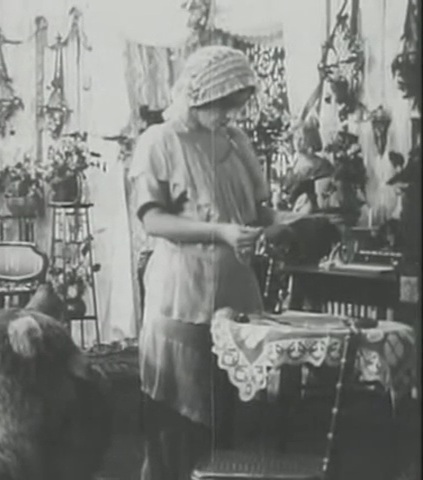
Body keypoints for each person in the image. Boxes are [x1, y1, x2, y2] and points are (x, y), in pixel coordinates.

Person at [129, 45, 295, 480]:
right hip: (181, 294)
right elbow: (153, 219)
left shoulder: (237, 142)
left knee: (232, 413)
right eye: (223, 104)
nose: (229, 115)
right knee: (179, 418)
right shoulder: (160, 141)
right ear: (199, 95)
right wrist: (220, 232)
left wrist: (285, 224)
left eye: (235, 105)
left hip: (236, 292)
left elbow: (258, 210)